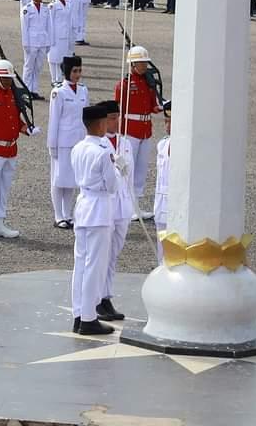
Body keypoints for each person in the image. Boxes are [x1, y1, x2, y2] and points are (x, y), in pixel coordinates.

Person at [0, 60, 39, 241]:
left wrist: (26, 129)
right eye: (5, 78)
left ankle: (0, 222)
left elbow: (14, 120)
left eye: (10, 79)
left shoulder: (12, 96)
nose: (8, 82)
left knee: (4, 188)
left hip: (10, 149)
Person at [69, 104, 118, 336]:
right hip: (98, 208)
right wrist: (119, 169)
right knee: (94, 266)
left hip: (82, 206)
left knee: (80, 263)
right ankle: (89, 318)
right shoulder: (102, 151)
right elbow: (111, 186)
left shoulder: (78, 148)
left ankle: (79, 314)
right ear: (100, 124)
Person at [115, 46, 160, 221]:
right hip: (130, 130)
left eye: (145, 63)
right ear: (133, 64)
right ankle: (126, 206)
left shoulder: (148, 83)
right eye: (141, 63)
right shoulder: (124, 85)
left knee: (140, 170)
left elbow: (152, 105)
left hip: (145, 129)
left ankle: (136, 206)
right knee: (128, 169)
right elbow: (118, 110)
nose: (145, 66)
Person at [99, 99, 132, 321]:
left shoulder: (125, 142)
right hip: (107, 203)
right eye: (111, 118)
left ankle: (106, 295)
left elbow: (129, 175)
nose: (116, 121)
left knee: (114, 254)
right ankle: (99, 298)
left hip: (123, 203)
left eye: (117, 117)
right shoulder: (98, 144)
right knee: (103, 253)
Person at [48, 55, 88, 228]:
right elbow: (54, 120)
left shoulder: (83, 90)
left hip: (78, 140)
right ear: (66, 72)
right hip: (63, 140)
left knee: (72, 179)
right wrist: (52, 145)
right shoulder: (59, 92)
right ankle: (58, 215)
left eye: (79, 70)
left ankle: (68, 214)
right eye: (74, 71)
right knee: (58, 178)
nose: (77, 74)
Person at [20, 0, 51, 99]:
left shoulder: (45, 8)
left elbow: (49, 26)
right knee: (29, 67)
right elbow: (24, 28)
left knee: (38, 67)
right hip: (31, 41)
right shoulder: (27, 9)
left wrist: (48, 42)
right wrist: (25, 43)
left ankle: (34, 90)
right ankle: (26, 90)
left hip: (42, 41)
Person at [46, 0, 75, 85]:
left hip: (65, 35)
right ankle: (54, 79)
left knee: (62, 58)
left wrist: (72, 36)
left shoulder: (68, 4)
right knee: (54, 58)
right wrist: (51, 38)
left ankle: (59, 78)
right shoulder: (53, 6)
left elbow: (70, 21)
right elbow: (50, 22)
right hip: (56, 35)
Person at [154, 100, 171, 261]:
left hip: (174, 205)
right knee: (161, 253)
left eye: (170, 121)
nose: (166, 125)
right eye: (166, 121)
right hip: (160, 203)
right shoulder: (162, 144)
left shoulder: (184, 146)